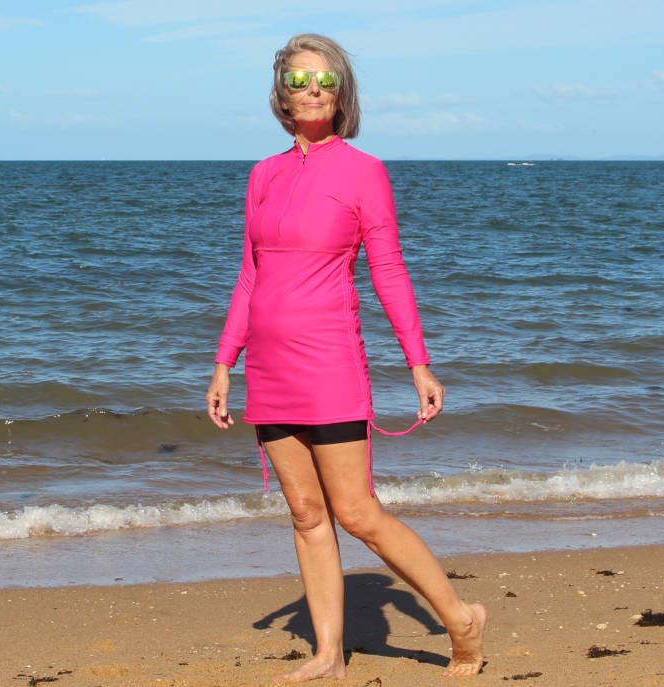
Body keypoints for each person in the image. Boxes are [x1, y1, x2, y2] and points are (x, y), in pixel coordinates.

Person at [206, 33, 485, 682]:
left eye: (324, 81)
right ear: (280, 93)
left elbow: (388, 270)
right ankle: (328, 654)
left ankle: (460, 618)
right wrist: (225, 362)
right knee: (305, 513)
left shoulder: (364, 172)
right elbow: (249, 275)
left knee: (356, 510)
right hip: (268, 367)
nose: (311, 91)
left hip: (330, 360)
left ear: (341, 94)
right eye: (298, 80)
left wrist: (418, 362)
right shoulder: (262, 175)